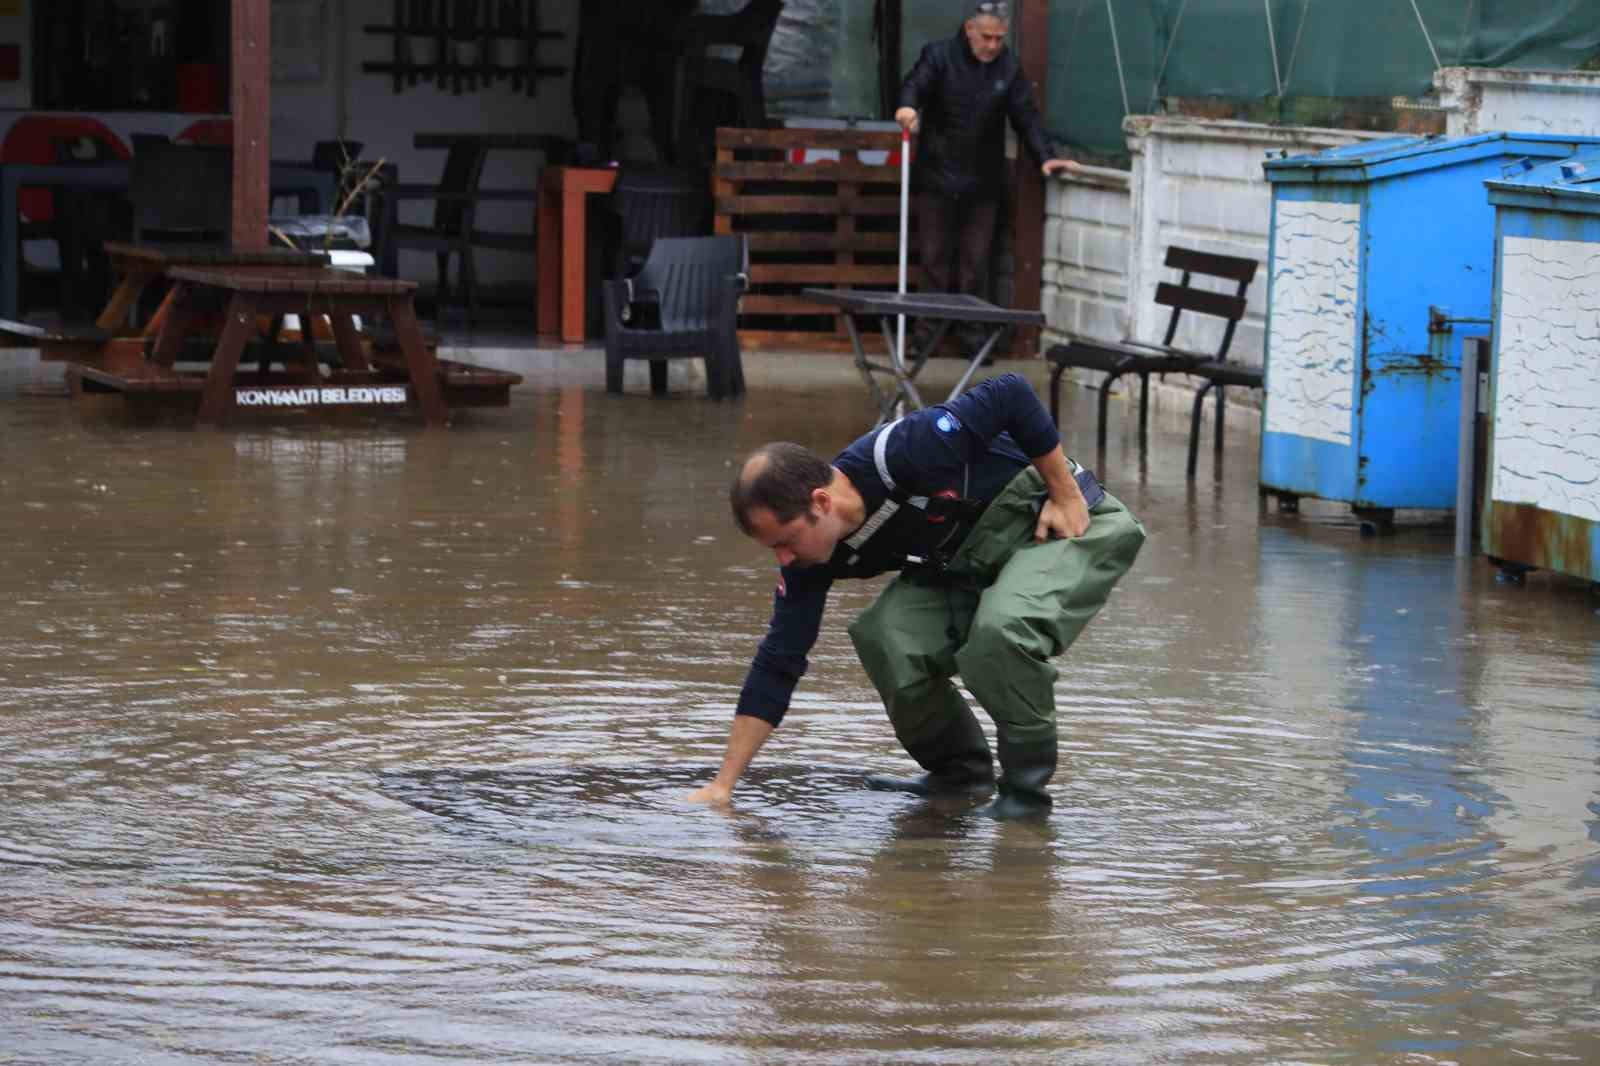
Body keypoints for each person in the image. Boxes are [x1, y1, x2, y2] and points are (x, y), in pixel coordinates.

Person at [686, 374, 1146, 819]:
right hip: (970, 561)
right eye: (774, 549)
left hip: (1064, 524)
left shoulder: (905, 451)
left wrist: (1064, 492)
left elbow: (1012, 393)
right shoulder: (810, 562)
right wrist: (723, 786)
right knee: (885, 635)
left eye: (787, 541)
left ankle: (1025, 802)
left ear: (821, 502)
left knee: (1001, 634)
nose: (784, 558)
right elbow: (778, 662)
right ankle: (959, 777)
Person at [896, 1, 1079, 361]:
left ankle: (973, 338)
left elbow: (1026, 114)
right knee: (934, 261)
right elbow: (915, 84)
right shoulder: (939, 55)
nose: (993, 45)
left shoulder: (1007, 66)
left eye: (999, 38)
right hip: (937, 176)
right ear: (969, 30)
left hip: (983, 181)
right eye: (986, 37)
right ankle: (925, 338)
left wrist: (1045, 156)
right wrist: (907, 106)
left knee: (976, 264)